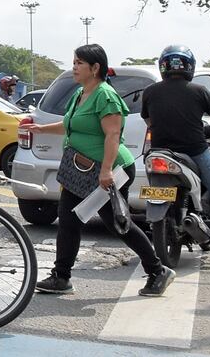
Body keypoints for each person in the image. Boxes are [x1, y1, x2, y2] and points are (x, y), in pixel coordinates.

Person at [26, 44, 175, 297]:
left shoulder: (105, 95)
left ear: (95, 68)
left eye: (79, 63)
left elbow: (113, 134)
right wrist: (41, 129)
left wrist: (105, 171)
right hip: (81, 169)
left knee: (117, 223)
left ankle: (158, 270)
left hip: (109, 169)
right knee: (68, 221)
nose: (74, 67)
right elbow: (70, 124)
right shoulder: (81, 93)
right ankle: (61, 277)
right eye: (74, 62)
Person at [142, 44, 210, 266]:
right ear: (189, 66)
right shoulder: (199, 90)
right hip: (195, 151)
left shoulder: (149, 92)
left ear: (163, 66)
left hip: (159, 152)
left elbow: (149, 121)